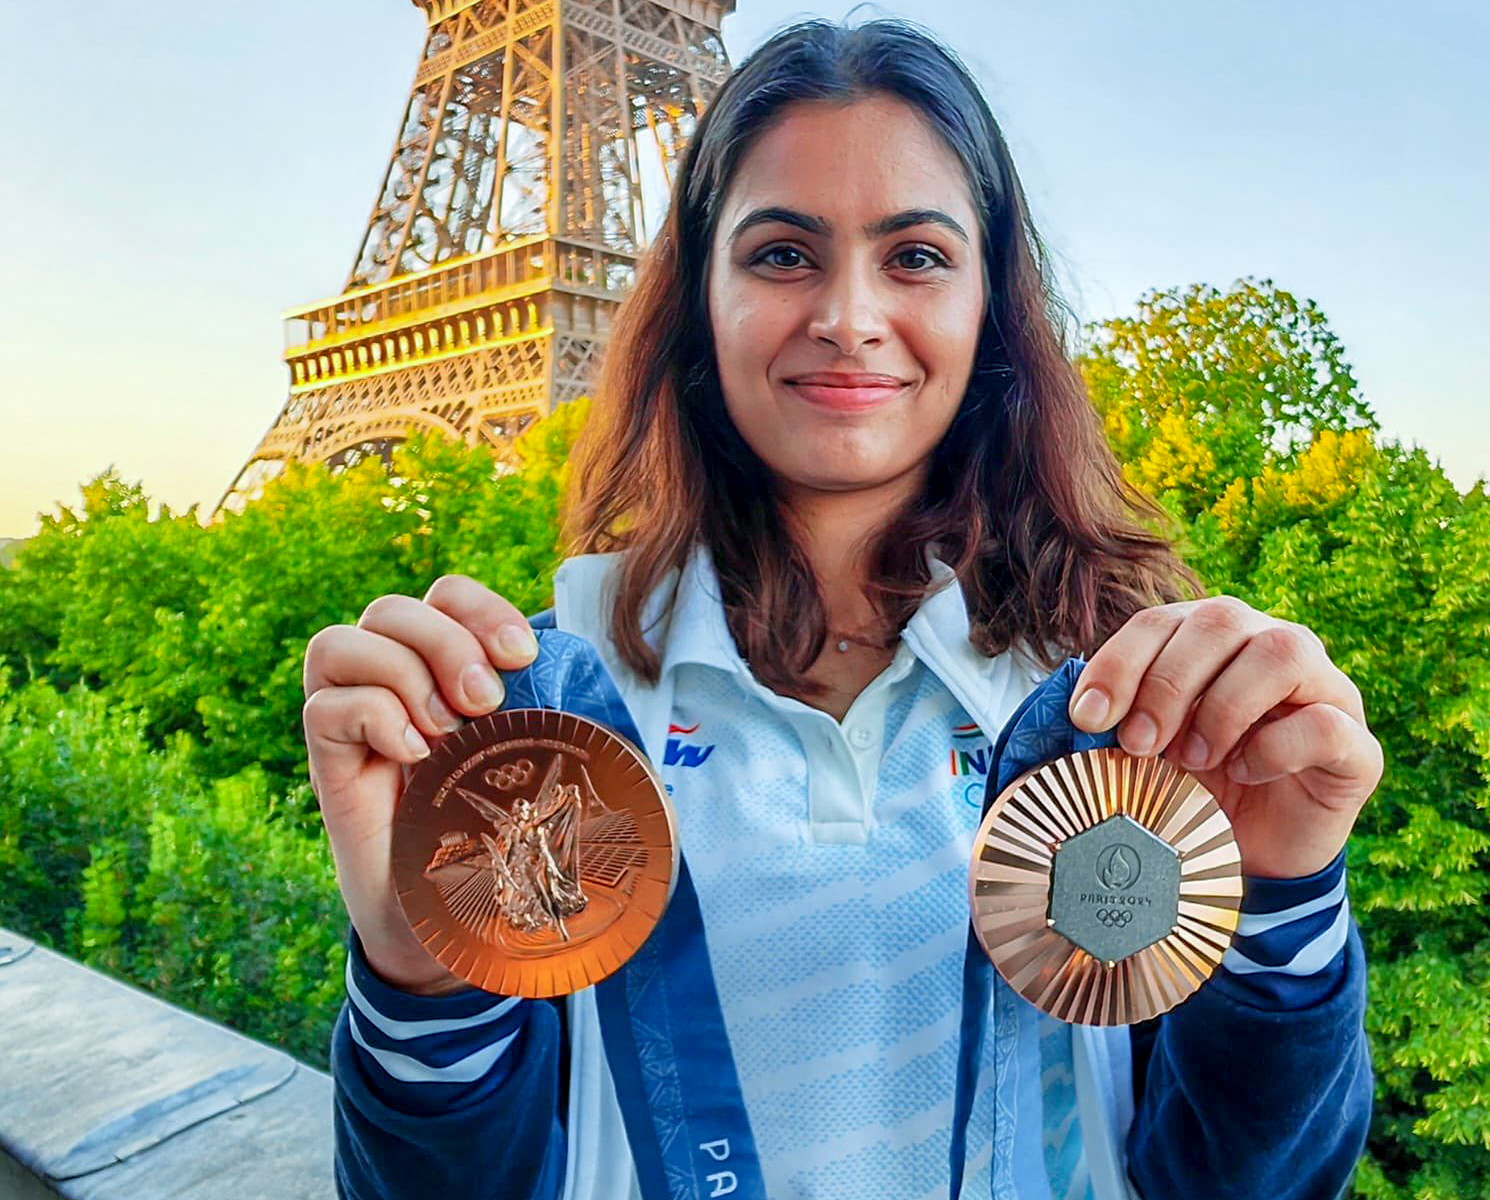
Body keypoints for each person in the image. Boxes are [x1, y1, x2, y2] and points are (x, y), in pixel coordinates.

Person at [302, 18, 1380, 1200]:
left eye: (915, 255)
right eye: (780, 255)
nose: (848, 316)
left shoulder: (1129, 701)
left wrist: (1282, 906)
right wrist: (422, 977)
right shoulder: (545, 726)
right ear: (697, 308)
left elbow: (1254, 1184)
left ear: (990, 310)